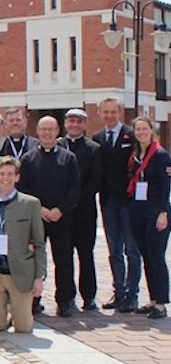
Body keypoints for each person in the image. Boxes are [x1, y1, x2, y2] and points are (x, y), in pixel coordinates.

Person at [18, 116, 80, 317]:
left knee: (64, 260)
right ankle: (34, 300)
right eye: (43, 129)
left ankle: (65, 301)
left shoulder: (68, 158)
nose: (46, 133)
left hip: (62, 216)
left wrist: (60, 209)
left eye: (50, 129)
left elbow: (74, 188)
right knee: (35, 259)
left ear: (57, 131)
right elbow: (23, 188)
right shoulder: (28, 159)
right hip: (37, 218)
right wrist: (40, 209)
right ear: (37, 131)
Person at [0, 157, 46, 333]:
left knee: (23, 328)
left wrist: (39, 277)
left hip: (20, 272)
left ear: (17, 177)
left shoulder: (30, 204)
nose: (6, 178)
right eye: (2, 174)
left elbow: (39, 243)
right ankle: (2, 315)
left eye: (10, 174)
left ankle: (17, 313)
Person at [94, 97, 140, 312]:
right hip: (108, 201)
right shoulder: (97, 138)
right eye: (106, 112)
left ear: (120, 113)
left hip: (129, 202)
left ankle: (132, 294)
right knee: (114, 250)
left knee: (132, 249)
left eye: (114, 112)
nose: (110, 116)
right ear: (100, 114)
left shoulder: (131, 136)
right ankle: (119, 292)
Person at [58, 107, 102, 311]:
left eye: (79, 121)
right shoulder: (58, 146)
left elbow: (96, 180)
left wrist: (75, 199)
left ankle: (89, 296)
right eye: (71, 121)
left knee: (86, 254)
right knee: (63, 256)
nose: (74, 125)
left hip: (84, 210)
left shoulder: (94, 148)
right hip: (63, 212)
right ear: (65, 123)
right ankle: (66, 297)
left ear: (84, 125)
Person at [125, 117, 170, 320]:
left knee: (156, 257)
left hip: (155, 210)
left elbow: (165, 186)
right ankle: (152, 300)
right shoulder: (135, 154)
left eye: (145, 128)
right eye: (138, 129)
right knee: (146, 257)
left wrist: (163, 213)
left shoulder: (161, 155)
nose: (141, 132)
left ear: (152, 130)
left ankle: (161, 303)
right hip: (138, 209)